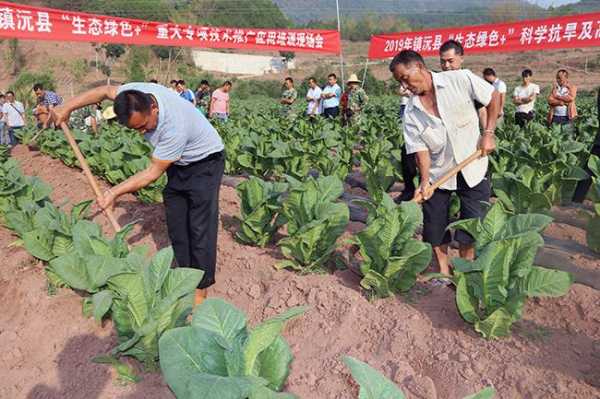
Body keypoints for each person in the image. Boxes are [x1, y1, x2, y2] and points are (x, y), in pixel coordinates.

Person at [51, 82, 225, 307]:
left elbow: (152, 173)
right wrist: (68, 107)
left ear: (153, 107)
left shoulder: (174, 125)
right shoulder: (130, 95)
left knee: (200, 228)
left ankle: (200, 290)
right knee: (177, 222)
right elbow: (104, 91)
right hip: (178, 163)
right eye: (135, 129)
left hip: (205, 162)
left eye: (144, 126)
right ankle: (185, 275)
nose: (142, 132)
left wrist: (113, 192)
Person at [389, 50, 500, 279]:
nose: (404, 86)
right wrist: (424, 180)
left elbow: (494, 97)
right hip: (439, 172)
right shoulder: (411, 112)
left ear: (419, 67)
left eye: (405, 78)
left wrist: (488, 132)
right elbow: (421, 150)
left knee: (471, 223)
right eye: (399, 81)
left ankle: (466, 270)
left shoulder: (460, 79)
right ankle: (442, 271)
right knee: (434, 225)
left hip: (473, 165)